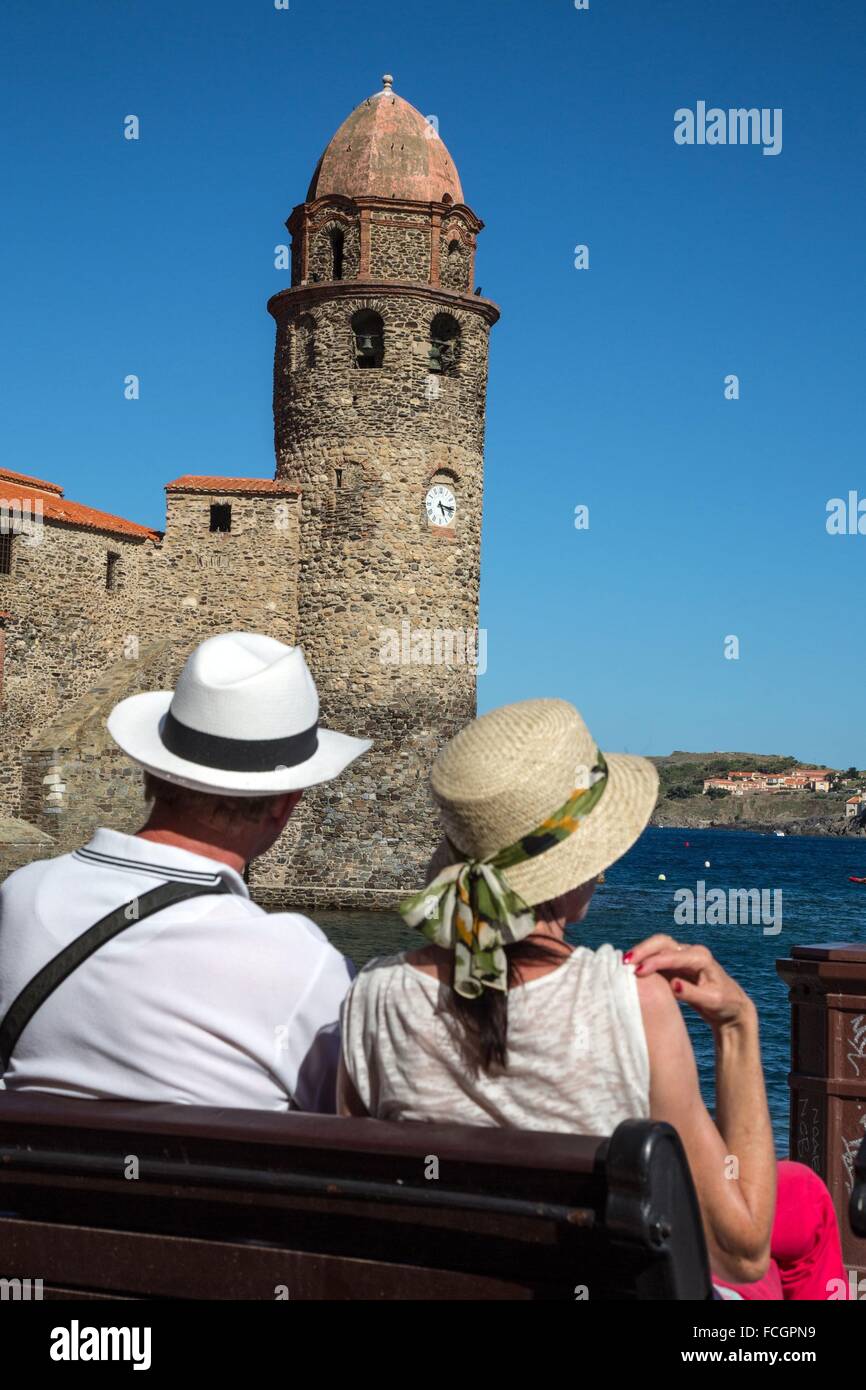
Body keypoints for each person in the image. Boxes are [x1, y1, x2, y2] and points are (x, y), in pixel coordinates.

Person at [338, 697, 847, 1299]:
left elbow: (357, 1209)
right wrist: (737, 1027)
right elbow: (740, 1251)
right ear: (574, 869)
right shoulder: (633, 999)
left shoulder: (371, 997)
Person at [0, 631, 370, 1112]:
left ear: (152, 771)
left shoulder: (21, 896)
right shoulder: (299, 962)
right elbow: (356, 1121)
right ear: (283, 804)